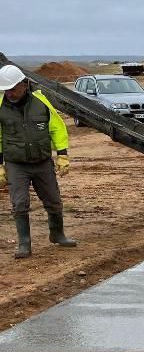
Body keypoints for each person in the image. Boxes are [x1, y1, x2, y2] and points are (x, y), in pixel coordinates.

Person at [0, 64, 76, 258]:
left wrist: (62, 154)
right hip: (16, 165)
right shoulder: (0, 107)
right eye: (5, 90)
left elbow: (57, 128)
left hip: (42, 162)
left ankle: (57, 235)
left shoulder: (41, 102)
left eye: (12, 89)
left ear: (24, 84)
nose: (9, 93)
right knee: (19, 204)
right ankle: (24, 244)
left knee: (53, 201)